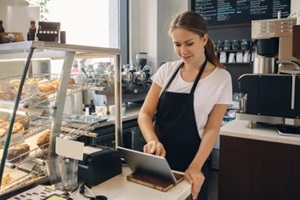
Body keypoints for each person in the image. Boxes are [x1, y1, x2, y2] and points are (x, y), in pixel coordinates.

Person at [138, 11, 232, 200]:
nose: (183, 51)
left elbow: (212, 128)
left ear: (204, 39)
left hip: (192, 163)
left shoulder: (221, 78)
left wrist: (195, 166)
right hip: (158, 162)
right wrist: (152, 140)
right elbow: (145, 113)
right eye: (177, 44)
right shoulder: (167, 71)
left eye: (189, 44)